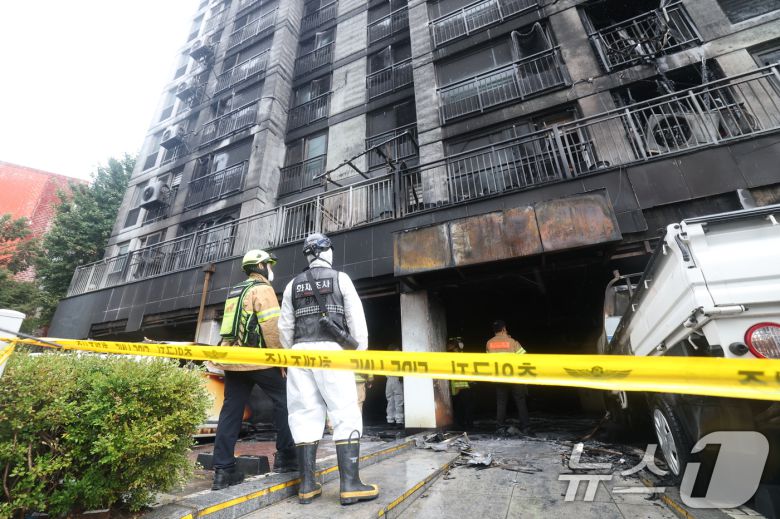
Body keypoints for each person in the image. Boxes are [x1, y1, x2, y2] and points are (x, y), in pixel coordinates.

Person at [278, 233, 379, 505]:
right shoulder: (340, 278)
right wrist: (359, 354)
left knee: (303, 414)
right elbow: (356, 321)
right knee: (344, 412)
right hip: (333, 353)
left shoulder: (291, 286)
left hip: (299, 354)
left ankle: (307, 486)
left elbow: (284, 329)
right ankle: (350, 484)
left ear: (307, 255)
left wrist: (290, 356)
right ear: (328, 251)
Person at [210, 249, 297, 491]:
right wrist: (281, 360)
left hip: (234, 359)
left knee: (231, 410)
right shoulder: (264, 289)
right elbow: (271, 327)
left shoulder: (235, 291)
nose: (271, 269)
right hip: (258, 359)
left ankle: (223, 470)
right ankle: (286, 457)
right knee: (285, 399)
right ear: (260, 265)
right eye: (269, 264)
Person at [486, 320, 531, 433]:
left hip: (499, 377)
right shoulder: (512, 342)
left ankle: (500, 427)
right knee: (520, 401)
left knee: (501, 402)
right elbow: (524, 358)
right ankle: (525, 427)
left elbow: (488, 362)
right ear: (504, 329)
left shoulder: (489, 343)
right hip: (514, 376)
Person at [447, 338, 474, 429]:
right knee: (466, 408)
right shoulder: (463, 356)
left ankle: (463, 425)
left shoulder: (449, 357)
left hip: (458, 387)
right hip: (464, 386)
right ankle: (468, 425)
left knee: (461, 408)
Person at [385, 345, 404, 426]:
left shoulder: (386, 357)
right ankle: (399, 420)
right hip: (397, 379)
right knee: (398, 399)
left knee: (390, 400)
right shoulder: (400, 355)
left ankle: (390, 419)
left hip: (389, 379)